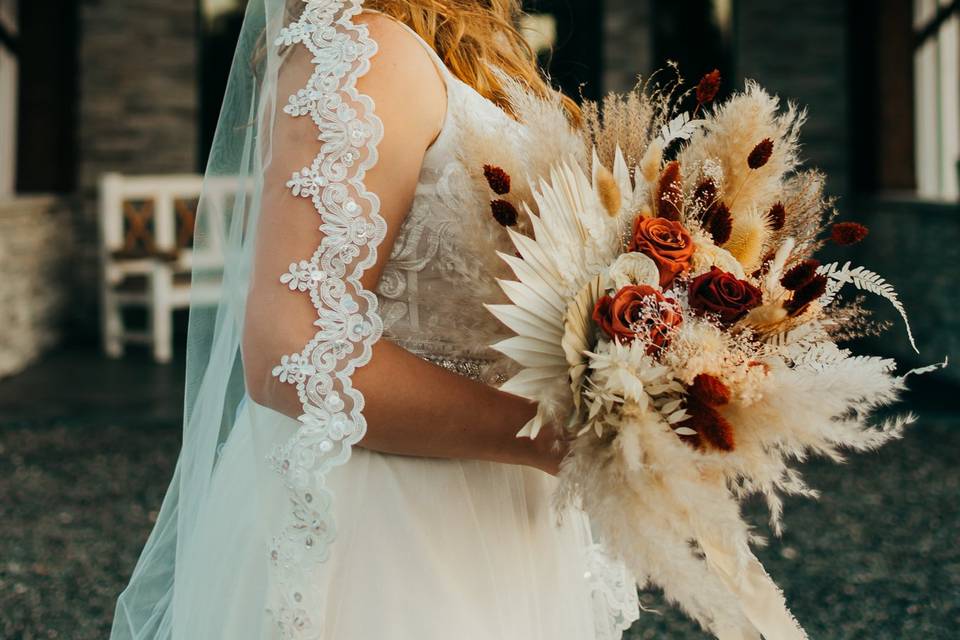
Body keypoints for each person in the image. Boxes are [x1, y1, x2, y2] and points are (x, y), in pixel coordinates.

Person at [111, 1, 639, 638]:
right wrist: (558, 436)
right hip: (385, 519)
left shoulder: (469, 56)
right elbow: (293, 349)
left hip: (498, 507)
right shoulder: (366, 54)